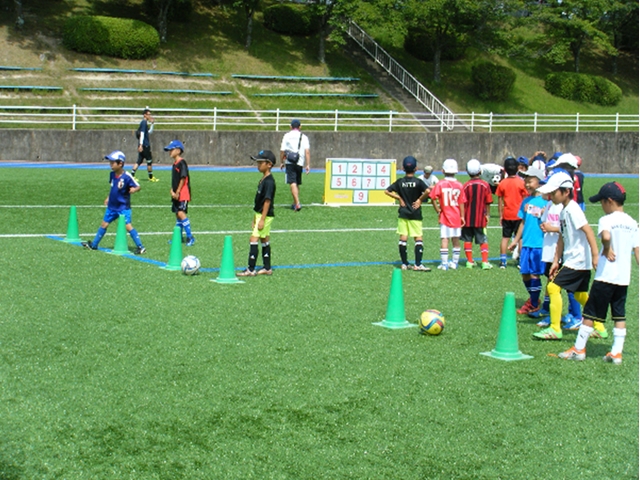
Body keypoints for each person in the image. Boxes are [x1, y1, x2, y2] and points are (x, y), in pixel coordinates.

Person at [559, 182, 639, 363]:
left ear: (609, 201)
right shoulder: (632, 222)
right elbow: (637, 250)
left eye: (602, 202)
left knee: (590, 313)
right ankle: (616, 352)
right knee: (619, 314)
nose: (602, 207)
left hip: (605, 276)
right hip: (623, 278)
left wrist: (607, 248)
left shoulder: (607, 220)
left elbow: (606, 236)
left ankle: (579, 349)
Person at [532, 172, 598, 340]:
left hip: (578, 259)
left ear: (566, 191)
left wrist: (595, 256)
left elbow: (589, 231)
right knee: (580, 295)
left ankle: (555, 329)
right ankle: (600, 326)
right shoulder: (564, 210)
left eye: (554, 193)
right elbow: (562, 236)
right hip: (573, 259)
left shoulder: (573, 210)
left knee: (553, 287)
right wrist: (556, 260)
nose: (551, 196)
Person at [82, 150, 146, 254]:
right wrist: (108, 197)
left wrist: (134, 190)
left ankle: (140, 246)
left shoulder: (127, 176)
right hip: (112, 207)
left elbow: (138, 186)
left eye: (113, 163)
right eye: (110, 163)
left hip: (123, 207)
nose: (110, 165)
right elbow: (113, 188)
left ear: (120, 163)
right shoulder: (112, 175)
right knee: (103, 224)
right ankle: (94, 245)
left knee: (128, 226)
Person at [507, 166, 546, 314]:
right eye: (526, 181)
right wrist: (516, 241)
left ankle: (534, 303)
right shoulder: (526, 201)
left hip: (539, 243)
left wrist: (538, 211)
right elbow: (523, 222)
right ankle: (533, 298)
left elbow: (547, 216)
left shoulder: (546, 199)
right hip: (527, 243)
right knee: (525, 272)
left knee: (535, 273)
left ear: (539, 181)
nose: (527, 184)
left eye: (530, 181)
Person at [385, 156, 432, 271]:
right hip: (415, 214)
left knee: (403, 237)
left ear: (402, 168)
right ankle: (418, 264)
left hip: (403, 213)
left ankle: (405, 263)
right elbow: (428, 191)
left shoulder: (400, 182)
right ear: (416, 168)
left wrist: (399, 198)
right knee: (418, 238)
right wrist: (420, 199)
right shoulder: (418, 182)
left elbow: (387, 191)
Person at [238, 150, 277, 277]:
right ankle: (267, 267)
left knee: (253, 238)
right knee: (264, 238)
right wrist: (256, 217)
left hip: (265, 215)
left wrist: (262, 219)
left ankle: (251, 268)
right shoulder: (263, 179)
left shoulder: (269, 182)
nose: (258, 164)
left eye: (261, 162)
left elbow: (267, 201)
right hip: (260, 215)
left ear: (269, 164)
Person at [429, 158, 466, 270]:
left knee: (445, 239)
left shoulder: (440, 184)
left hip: (445, 216)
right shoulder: (460, 185)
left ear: (443, 171)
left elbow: (432, 198)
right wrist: (462, 216)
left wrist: (437, 210)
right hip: (456, 216)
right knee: (456, 240)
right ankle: (454, 263)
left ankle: (444, 264)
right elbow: (462, 203)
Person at [495, 156, 528, 269]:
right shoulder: (521, 183)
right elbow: (525, 198)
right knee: (520, 238)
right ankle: (521, 261)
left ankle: (503, 261)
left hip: (507, 214)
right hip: (519, 215)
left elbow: (500, 200)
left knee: (505, 237)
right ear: (518, 168)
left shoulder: (502, 183)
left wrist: (500, 215)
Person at [461, 159, 493, 270]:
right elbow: (488, 201)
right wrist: (487, 214)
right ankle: (484, 262)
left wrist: (462, 216)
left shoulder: (465, 186)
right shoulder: (485, 185)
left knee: (467, 240)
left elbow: (462, 202)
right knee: (483, 240)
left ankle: (469, 262)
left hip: (467, 218)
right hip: (480, 218)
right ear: (480, 171)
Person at [166, 140, 195, 246]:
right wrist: (172, 190)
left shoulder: (182, 163)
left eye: (171, 149)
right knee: (177, 215)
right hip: (176, 193)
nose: (169, 152)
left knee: (181, 213)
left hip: (183, 193)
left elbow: (183, 178)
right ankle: (178, 237)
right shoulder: (174, 164)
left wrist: (177, 192)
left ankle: (190, 237)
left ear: (178, 150)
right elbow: (175, 180)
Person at [279, 119, 310, 211]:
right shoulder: (304, 137)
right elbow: (307, 151)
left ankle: (297, 203)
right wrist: (308, 164)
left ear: (290, 127)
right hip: (300, 161)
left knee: (292, 182)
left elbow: (282, 150)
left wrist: (281, 162)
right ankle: (295, 202)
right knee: (297, 182)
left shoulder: (287, 136)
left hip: (290, 161)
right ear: (300, 127)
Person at [132, 108, 159, 182]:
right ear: (145, 115)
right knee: (149, 161)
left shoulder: (144, 123)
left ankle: (132, 176)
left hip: (143, 145)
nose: (150, 116)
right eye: (148, 114)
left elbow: (149, 132)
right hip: (145, 145)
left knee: (139, 161)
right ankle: (151, 177)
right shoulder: (144, 123)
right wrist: (141, 145)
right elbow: (142, 134)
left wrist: (152, 124)